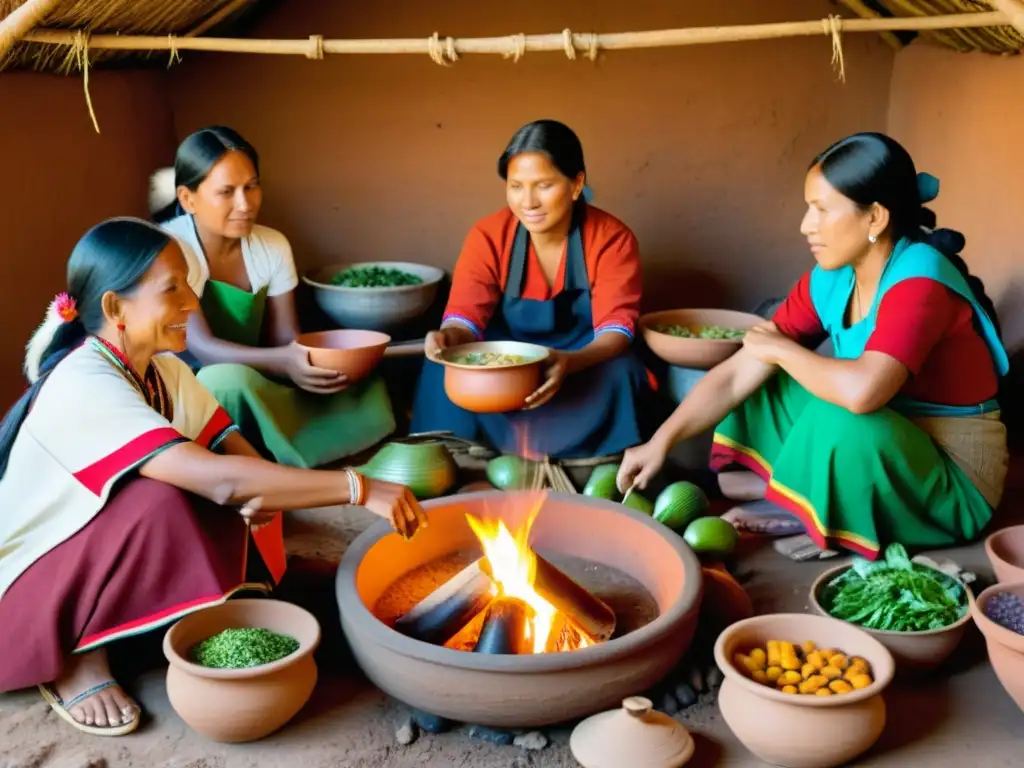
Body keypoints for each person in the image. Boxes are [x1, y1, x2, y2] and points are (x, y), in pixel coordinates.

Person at [0, 218, 426, 736]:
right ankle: (77, 654)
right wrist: (358, 486)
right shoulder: (83, 381)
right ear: (115, 308)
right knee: (163, 497)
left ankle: (186, 609)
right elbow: (222, 481)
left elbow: (234, 453)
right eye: (172, 289)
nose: (192, 304)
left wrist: (264, 494)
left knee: (231, 492)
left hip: (95, 556)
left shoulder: (167, 371)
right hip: (28, 588)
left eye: (189, 285)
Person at [617, 132, 1009, 560]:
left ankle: (810, 507)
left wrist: (781, 349)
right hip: (890, 438)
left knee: (833, 405)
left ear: (875, 217)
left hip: (951, 478)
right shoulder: (833, 276)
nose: (806, 225)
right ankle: (802, 496)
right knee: (759, 376)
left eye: (821, 210)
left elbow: (863, 394)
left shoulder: (920, 281)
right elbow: (735, 375)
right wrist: (659, 442)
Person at [151, 126, 395, 469]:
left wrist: (313, 363)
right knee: (224, 380)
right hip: (190, 382)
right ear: (188, 199)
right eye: (226, 192)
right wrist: (284, 360)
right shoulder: (171, 249)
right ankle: (253, 461)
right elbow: (203, 348)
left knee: (359, 378)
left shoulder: (272, 245)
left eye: (251, 187)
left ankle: (282, 449)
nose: (245, 204)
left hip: (255, 368)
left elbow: (285, 337)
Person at [410, 119, 652, 459]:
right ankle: (460, 461)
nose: (528, 202)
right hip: (505, 364)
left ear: (576, 183)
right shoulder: (489, 235)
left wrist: (573, 361)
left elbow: (616, 328)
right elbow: (465, 319)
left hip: (581, 357)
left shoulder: (611, 238)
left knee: (622, 369)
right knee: (440, 365)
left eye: (544, 185)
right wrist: (447, 337)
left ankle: (596, 463)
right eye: (516, 186)